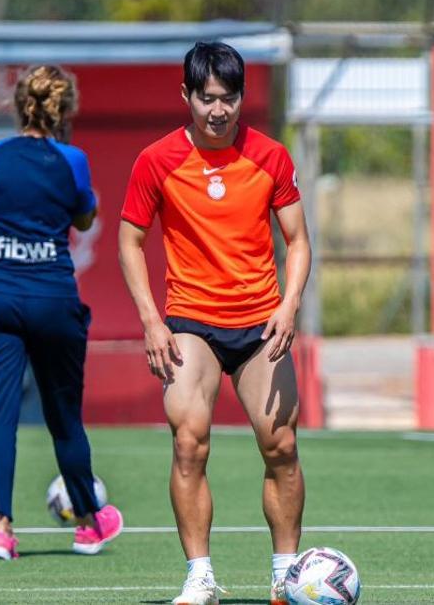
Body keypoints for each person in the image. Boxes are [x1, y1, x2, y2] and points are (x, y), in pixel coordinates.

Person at [118, 41, 312, 605]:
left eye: (229, 99)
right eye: (207, 99)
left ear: (241, 97)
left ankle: (286, 573)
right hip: (191, 323)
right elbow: (130, 241)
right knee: (189, 442)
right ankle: (200, 575)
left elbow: (298, 241)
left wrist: (289, 303)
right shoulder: (156, 160)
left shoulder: (271, 156)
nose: (219, 111)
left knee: (281, 446)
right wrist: (152, 322)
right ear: (187, 96)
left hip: (260, 326)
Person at [0, 64, 124, 562]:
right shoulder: (72, 160)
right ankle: (89, 525)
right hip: (52, 299)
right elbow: (85, 216)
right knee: (65, 420)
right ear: (65, 110)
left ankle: (1, 534)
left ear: (18, 107)